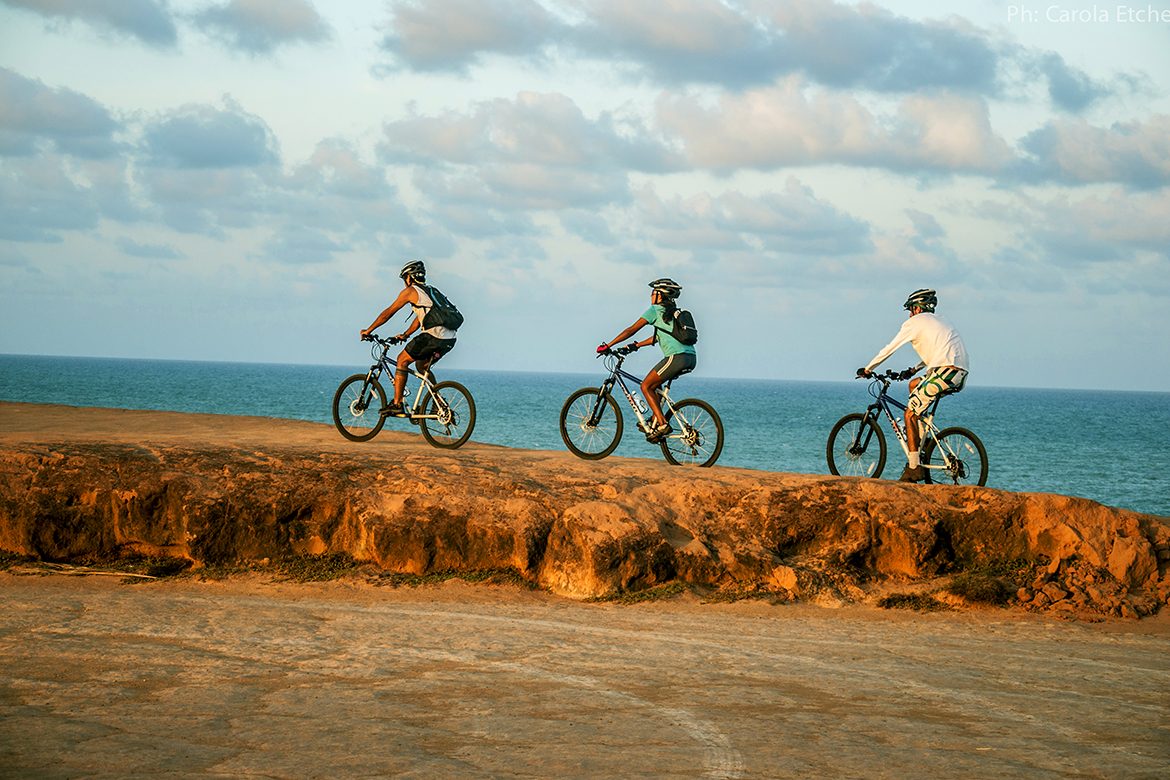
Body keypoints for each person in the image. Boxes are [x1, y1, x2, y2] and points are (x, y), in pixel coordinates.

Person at [858, 288, 970, 483]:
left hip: (945, 372)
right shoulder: (941, 320)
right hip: (957, 373)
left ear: (918, 308)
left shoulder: (914, 323)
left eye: (911, 309)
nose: (910, 314)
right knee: (914, 385)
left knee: (910, 414)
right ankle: (924, 440)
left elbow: (889, 348)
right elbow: (939, 352)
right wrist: (913, 370)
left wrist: (868, 368)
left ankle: (914, 468)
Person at [597, 278, 697, 441]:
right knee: (655, 385)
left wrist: (608, 345)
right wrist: (636, 345)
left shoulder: (655, 310)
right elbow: (658, 337)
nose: (650, 296)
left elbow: (631, 329)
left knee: (646, 386)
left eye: (653, 293)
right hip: (690, 357)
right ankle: (655, 419)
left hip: (676, 357)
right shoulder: (669, 313)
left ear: (660, 295)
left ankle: (663, 424)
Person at [361, 260, 457, 416]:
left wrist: (369, 330)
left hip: (433, 335)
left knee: (402, 360)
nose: (404, 282)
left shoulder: (411, 291)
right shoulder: (431, 291)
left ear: (409, 277)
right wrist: (406, 334)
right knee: (422, 367)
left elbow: (388, 313)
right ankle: (439, 405)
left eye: (404, 278)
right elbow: (422, 318)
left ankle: (397, 404)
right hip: (449, 338)